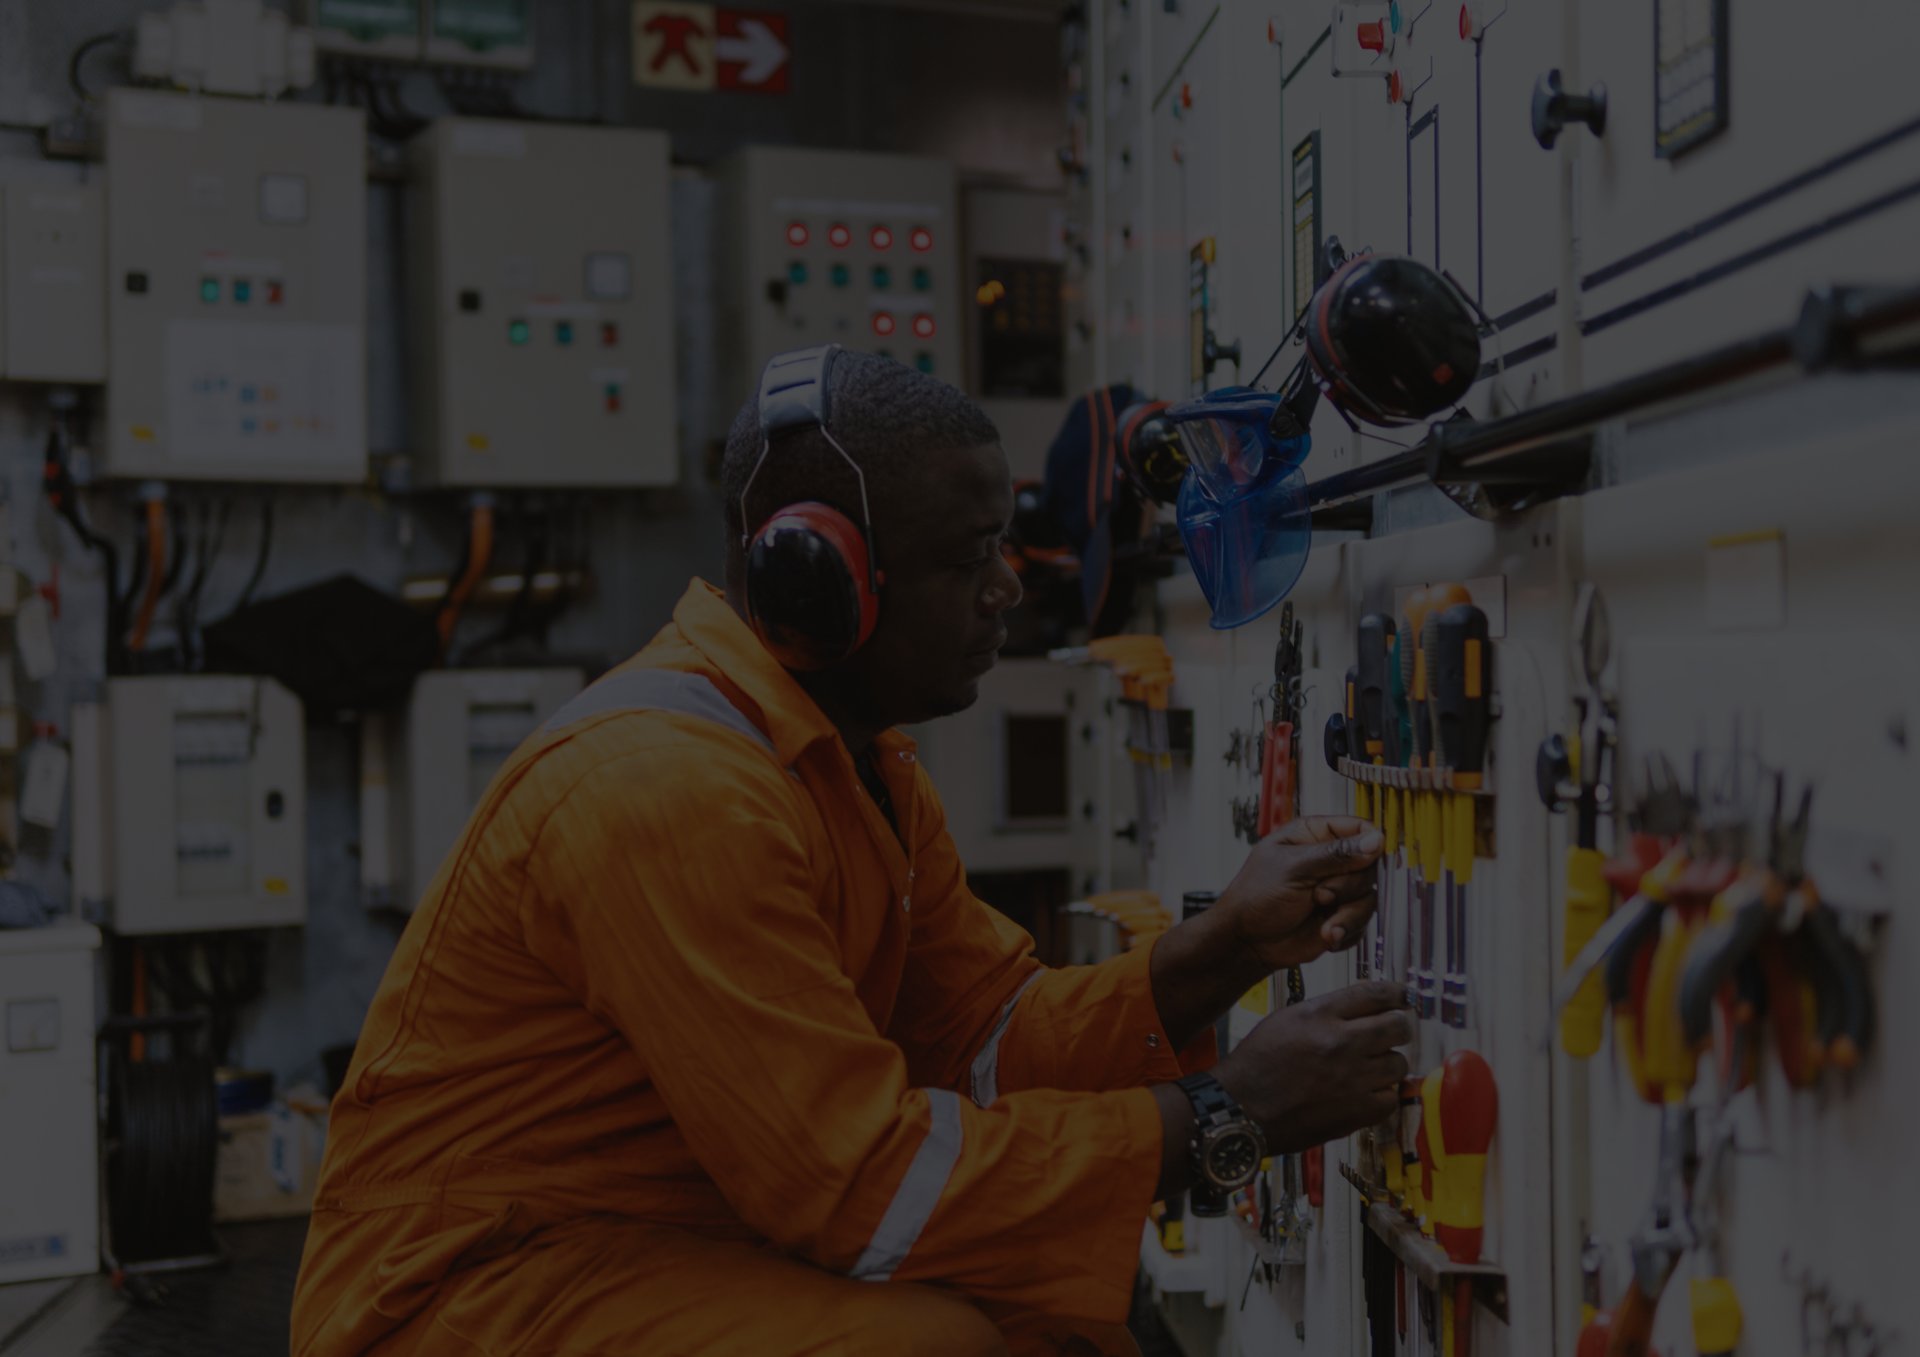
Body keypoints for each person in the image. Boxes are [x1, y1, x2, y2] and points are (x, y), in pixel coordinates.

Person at [290, 348, 1411, 1357]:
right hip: (457, 1301)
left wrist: (1225, 948)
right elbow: (858, 1185)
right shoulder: (668, 792)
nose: (1007, 588)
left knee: (1048, 1328)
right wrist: (1230, 1115)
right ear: (816, 584)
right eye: (970, 556)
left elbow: (980, 1039)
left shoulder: (849, 766)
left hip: (634, 1248)